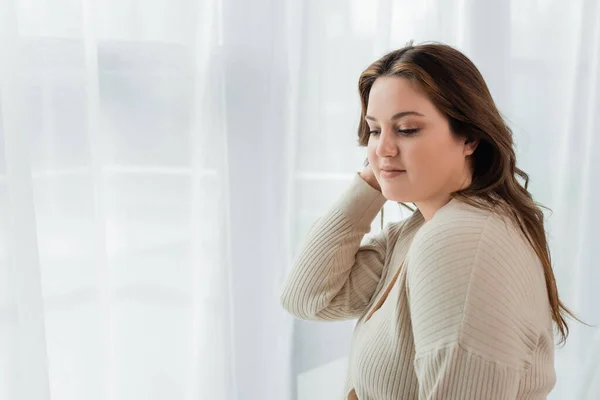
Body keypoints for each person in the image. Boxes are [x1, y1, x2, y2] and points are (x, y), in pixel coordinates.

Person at [279, 42, 576, 399]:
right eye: (374, 130)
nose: (383, 148)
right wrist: (374, 178)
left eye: (406, 130)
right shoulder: (420, 230)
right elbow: (308, 297)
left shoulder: (461, 240)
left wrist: (386, 163)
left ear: (469, 137)